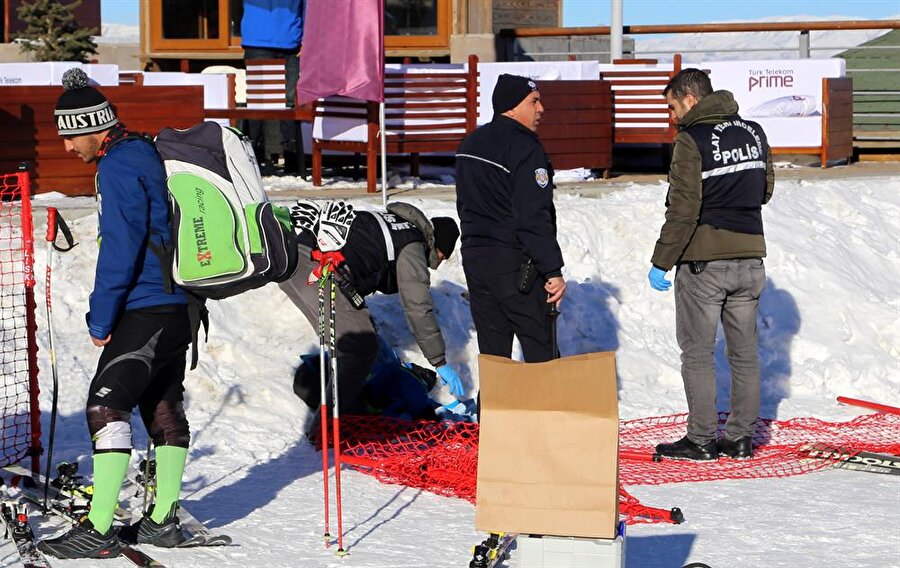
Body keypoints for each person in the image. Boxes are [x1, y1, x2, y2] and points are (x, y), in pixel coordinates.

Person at [38, 68, 193, 559]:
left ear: (93, 127)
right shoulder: (142, 151)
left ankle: (99, 528)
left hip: (147, 306)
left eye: (70, 136)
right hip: (179, 305)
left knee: (106, 408)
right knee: (162, 406)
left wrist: (101, 317)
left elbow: (121, 248)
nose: (67, 147)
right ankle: (162, 521)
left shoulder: (119, 165)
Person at [648, 68, 774, 461]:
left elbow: (683, 210)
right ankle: (740, 439)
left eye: (673, 107)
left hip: (705, 263)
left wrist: (661, 261)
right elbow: (765, 189)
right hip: (750, 260)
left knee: (698, 353)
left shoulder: (691, 139)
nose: (672, 117)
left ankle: (701, 439)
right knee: (744, 354)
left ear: (690, 99)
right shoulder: (754, 133)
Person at [279, 199, 464, 419]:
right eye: (441, 257)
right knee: (360, 348)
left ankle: (341, 405)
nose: (437, 264)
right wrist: (439, 361)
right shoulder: (412, 245)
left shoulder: (396, 225)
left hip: (293, 260)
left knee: (350, 343)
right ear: (435, 244)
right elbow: (418, 307)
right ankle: (331, 425)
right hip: (319, 267)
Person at [454, 74, 566, 363]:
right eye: (534, 102)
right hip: (513, 262)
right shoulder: (525, 147)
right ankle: (548, 396)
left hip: (476, 259)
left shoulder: (470, 143)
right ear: (512, 107)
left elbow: (464, 204)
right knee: (541, 347)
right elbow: (533, 215)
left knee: (494, 356)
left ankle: (494, 396)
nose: (541, 109)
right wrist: (552, 270)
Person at [240, 0, 306, 173]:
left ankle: (255, 156)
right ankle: (284, 156)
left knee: (262, 102)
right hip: (283, 39)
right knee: (286, 102)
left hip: (268, 39)